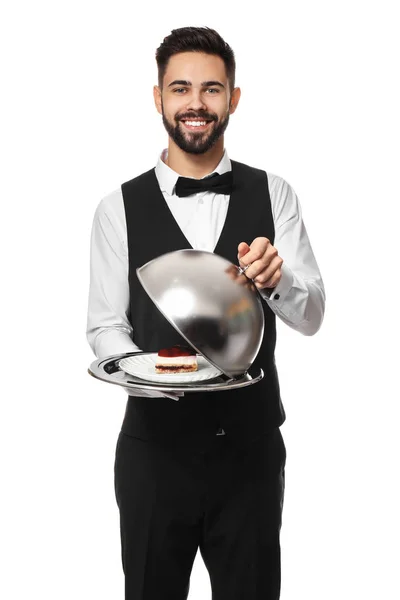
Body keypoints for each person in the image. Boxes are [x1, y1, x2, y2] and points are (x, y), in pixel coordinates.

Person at [87, 26, 325, 600]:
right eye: (181, 88)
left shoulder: (276, 194)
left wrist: (279, 282)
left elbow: (313, 313)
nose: (196, 103)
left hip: (250, 454)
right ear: (159, 98)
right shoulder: (117, 207)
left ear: (233, 99)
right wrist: (155, 375)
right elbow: (105, 327)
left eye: (212, 89)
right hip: (153, 455)